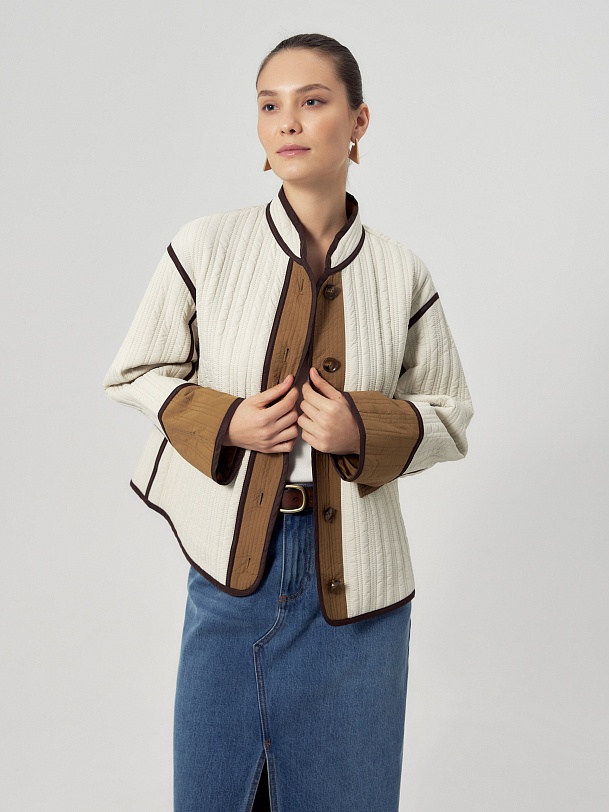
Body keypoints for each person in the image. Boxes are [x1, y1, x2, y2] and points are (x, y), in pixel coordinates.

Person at [103, 32, 473, 812]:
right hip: (230, 580)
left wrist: (361, 430)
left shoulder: (402, 272)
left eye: (312, 101)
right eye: (270, 106)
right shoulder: (205, 246)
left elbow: (450, 415)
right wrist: (227, 420)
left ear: (358, 121)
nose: (288, 122)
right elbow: (134, 373)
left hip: (360, 599)